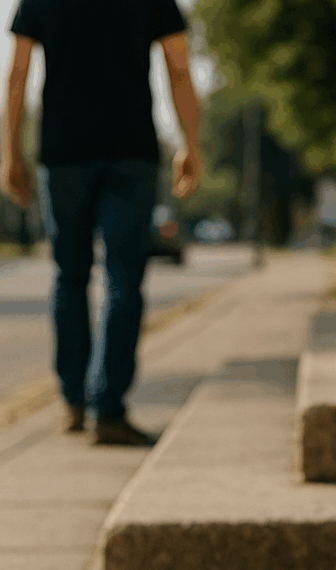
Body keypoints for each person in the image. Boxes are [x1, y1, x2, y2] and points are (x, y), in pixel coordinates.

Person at [0, 0, 203, 445]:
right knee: (123, 278)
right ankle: (107, 408)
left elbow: (17, 75)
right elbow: (179, 69)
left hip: (63, 150)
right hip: (130, 149)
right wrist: (191, 144)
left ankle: (74, 402)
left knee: (69, 275)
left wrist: (11, 151)